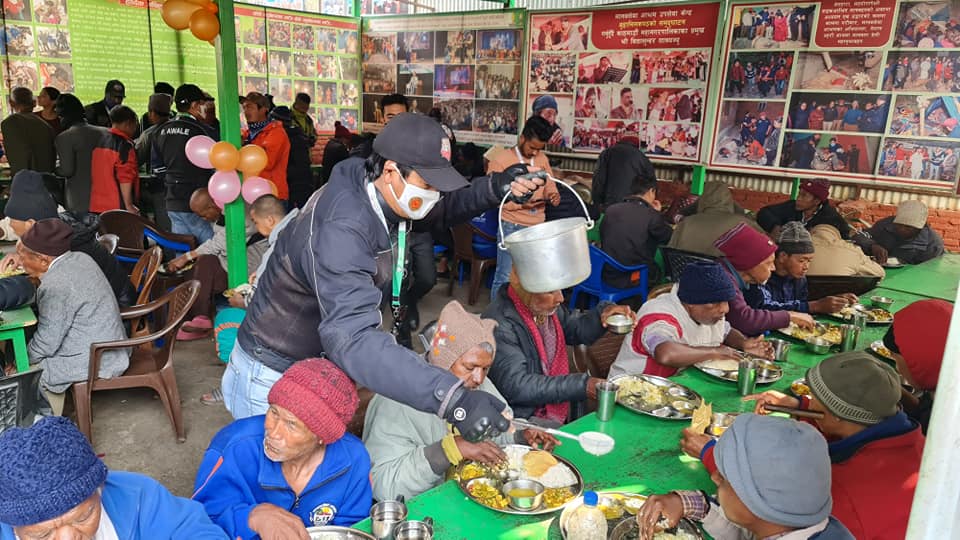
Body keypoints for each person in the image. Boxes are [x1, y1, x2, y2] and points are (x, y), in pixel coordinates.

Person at [226, 113, 544, 443]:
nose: (435, 195)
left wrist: (496, 188)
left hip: (316, 361)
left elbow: (440, 210)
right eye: (429, 185)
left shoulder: (378, 187)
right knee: (274, 479)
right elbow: (353, 338)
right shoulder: (342, 228)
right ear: (391, 171)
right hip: (273, 369)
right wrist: (453, 399)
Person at [363, 301, 558, 501]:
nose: (479, 379)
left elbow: (497, 432)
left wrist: (520, 437)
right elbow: (383, 486)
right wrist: (448, 450)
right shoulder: (396, 401)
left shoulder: (474, 384)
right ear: (443, 361)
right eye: (469, 367)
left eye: (485, 369)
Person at [743, 352, 924, 540]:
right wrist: (800, 407)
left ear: (835, 414)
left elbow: (770, 520)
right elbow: (844, 421)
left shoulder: (839, 489)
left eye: (814, 398)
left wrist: (715, 457)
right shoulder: (915, 441)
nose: (810, 401)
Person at [194, 359, 372, 538]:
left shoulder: (353, 460)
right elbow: (199, 522)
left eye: (291, 425)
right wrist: (251, 517)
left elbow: (352, 530)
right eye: (274, 412)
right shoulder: (234, 447)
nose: (273, 432)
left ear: (322, 437)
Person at [0, 417, 228, 540]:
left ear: (99, 489)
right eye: (42, 535)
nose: (69, 538)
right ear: (13, 526)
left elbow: (191, 528)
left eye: (83, 517)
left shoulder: (139, 495)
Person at [639, 414, 854, 540]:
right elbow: (748, 528)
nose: (714, 478)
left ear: (757, 504)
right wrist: (686, 503)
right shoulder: (797, 519)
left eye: (724, 478)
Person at [483, 269, 633, 426]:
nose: (560, 298)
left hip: (553, 405)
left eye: (560, 289)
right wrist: (582, 385)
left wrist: (604, 313)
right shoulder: (500, 323)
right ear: (527, 290)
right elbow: (517, 387)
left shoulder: (542, 309)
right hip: (521, 418)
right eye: (550, 291)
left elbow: (576, 330)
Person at [20, 219, 129, 414]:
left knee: (28, 375)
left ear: (43, 260)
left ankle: (52, 424)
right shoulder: (79, 257)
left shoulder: (55, 285)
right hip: (113, 345)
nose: (20, 262)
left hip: (99, 358)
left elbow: (48, 341)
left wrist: (23, 360)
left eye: (23, 256)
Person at [610, 261, 773, 379]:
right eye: (715, 303)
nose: (725, 309)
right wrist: (716, 352)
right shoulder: (658, 316)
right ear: (690, 303)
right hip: (632, 390)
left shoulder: (710, 315)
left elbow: (726, 331)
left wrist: (743, 344)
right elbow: (665, 353)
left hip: (676, 385)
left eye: (726, 301)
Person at [3, 170, 137, 307]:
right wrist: (24, 257)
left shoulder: (68, 247)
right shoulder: (58, 228)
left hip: (114, 310)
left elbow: (52, 291)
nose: (11, 227)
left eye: (13, 223)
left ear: (30, 224)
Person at [166, 188, 268, 340]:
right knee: (195, 268)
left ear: (212, 206)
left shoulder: (240, 212)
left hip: (249, 264)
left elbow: (221, 242)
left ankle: (201, 318)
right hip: (228, 261)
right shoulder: (220, 214)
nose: (204, 219)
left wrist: (187, 256)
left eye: (203, 215)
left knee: (205, 262)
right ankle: (191, 320)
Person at [487, 115, 560, 299]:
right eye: (532, 147)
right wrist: (523, 205)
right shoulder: (501, 160)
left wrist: (552, 194)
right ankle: (497, 318)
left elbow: (549, 184)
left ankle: (524, 318)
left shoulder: (542, 159)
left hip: (537, 226)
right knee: (505, 275)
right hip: (511, 225)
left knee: (533, 277)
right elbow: (494, 198)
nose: (535, 153)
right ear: (522, 138)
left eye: (539, 149)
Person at [714, 223, 814, 336]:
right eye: (769, 263)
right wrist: (789, 316)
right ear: (751, 263)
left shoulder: (732, 276)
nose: (773, 268)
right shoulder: (722, 278)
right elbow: (744, 319)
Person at [745, 222, 857, 315]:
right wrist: (815, 306)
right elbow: (762, 308)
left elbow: (799, 305)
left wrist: (834, 301)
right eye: (802, 260)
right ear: (783, 256)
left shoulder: (799, 279)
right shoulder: (761, 274)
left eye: (809, 261)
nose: (806, 267)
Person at [155, 84, 217, 243]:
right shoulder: (203, 131)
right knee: (213, 251)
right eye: (203, 104)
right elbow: (216, 169)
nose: (205, 108)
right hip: (199, 204)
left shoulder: (160, 131)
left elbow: (157, 168)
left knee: (182, 251)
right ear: (195, 105)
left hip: (172, 202)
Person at [883, 299, 952, 433]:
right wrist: (899, 393)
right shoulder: (945, 386)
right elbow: (924, 408)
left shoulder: (940, 427)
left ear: (920, 362)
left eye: (896, 359)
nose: (897, 368)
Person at [600, 174, 672, 290]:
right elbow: (668, 237)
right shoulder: (651, 215)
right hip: (631, 275)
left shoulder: (611, 209)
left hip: (606, 271)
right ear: (651, 191)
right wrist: (657, 214)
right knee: (659, 271)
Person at [667, 181, 762, 257]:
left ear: (702, 200)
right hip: (726, 279)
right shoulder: (744, 224)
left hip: (685, 276)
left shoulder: (686, 223)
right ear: (729, 200)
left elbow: (670, 253)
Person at [53, 93, 108, 213]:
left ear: (63, 116)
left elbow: (67, 170)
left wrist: (55, 168)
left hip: (80, 200)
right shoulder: (105, 132)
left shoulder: (64, 138)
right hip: (108, 197)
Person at [854, 199, 944, 265]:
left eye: (909, 227)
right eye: (899, 225)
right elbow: (858, 236)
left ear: (921, 227)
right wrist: (872, 245)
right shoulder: (885, 225)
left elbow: (927, 273)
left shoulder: (933, 244)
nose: (902, 229)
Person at [756, 178, 851, 239]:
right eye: (799, 194)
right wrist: (774, 226)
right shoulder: (791, 206)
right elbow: (764, 212)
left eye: (804, 196)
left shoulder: (831, 217)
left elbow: (845, 236)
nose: (798, 199)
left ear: (817, 201)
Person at [135, 93, 175, 231]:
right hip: (182, 185)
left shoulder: (149, 134)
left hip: (161, 186)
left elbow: (137, 159)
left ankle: (168, 252)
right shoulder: (178, 128)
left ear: (151, 112)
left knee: (165, 226)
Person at [89, 105, 139, 214]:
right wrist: (129, 205)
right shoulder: (125, 146)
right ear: (128, 124)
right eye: (135, 123)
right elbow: (125, 177)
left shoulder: (99, 140)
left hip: (95, 204)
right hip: (117, 207)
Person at [243, 92, 291, 202]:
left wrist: (245, 149)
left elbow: (267, 162)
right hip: (251, 194)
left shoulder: (276, 133)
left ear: (263, 109)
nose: (246, 112)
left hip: (272, 195)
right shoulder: (246, 134)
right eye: (244, 107)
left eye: (250, 107)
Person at [591, 136, 657, 211]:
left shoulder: (606, 153)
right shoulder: (642, 157)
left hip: (608, 205)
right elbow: (651, 184)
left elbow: (599, 180)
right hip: (632, 206)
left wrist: (597, 202)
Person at [1, 87, 55, 175]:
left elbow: (17, 158)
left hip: (26, 179)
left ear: (11, 103)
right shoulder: (46, 125)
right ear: (33, 103)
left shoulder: (10, 123)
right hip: (46, 179)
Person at [269, 106, 314, 209]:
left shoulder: (287, 138)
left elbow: (297, 166)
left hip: (294, 186)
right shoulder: (298, 136)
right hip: (299, 185)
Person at [807, 224, 885, 277]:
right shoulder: (850, 250)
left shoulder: (799, 248)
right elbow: (880, 273)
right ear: (838, 237)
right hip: (841, 296)